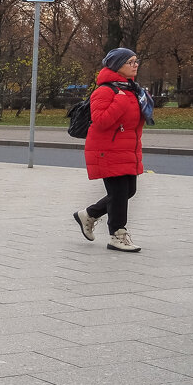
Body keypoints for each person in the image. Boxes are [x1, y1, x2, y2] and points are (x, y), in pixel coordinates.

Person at [73, 48, 148, 252]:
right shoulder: (105, 91)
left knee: (128, 191)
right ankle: (117, 235)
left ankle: (89, 214)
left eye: (136, 61)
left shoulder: (130, 89)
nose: (135, 65)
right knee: (119, 193)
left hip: (126, 148)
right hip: (108, 149)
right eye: (130, 62)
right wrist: (122, 100)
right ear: (117, 66)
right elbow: (101, 121)